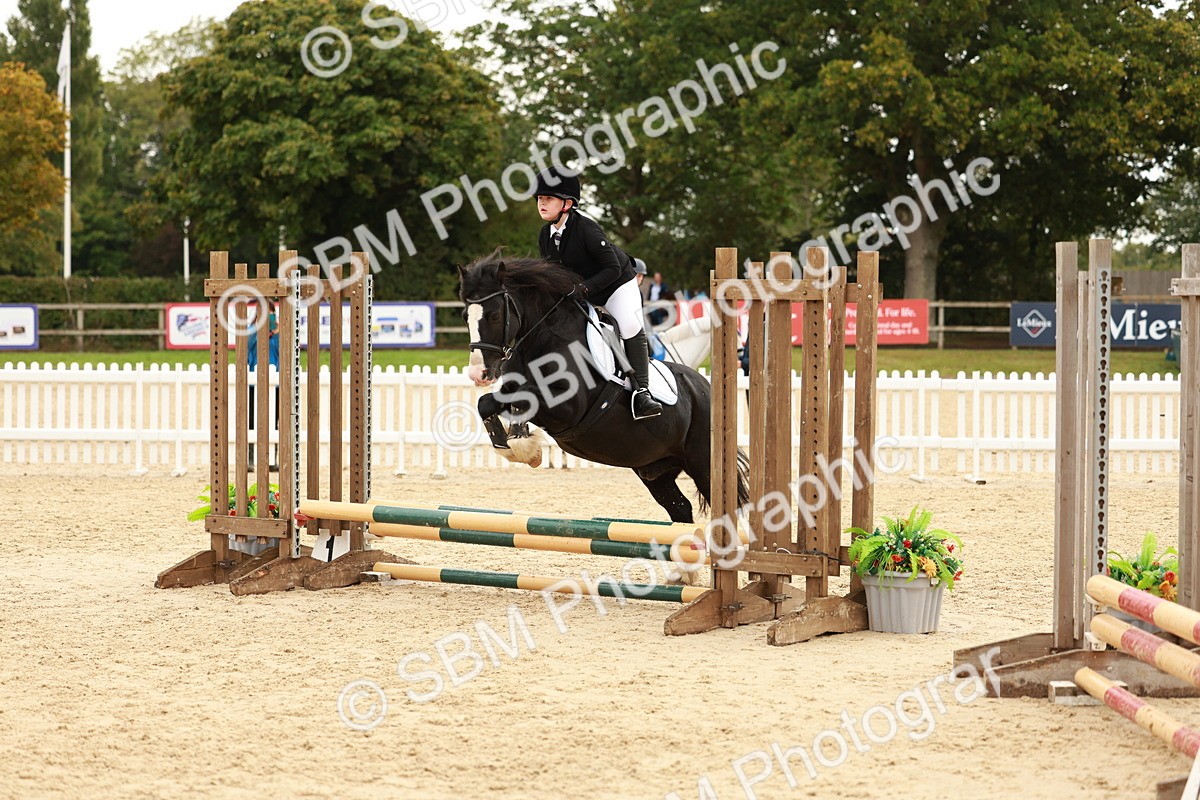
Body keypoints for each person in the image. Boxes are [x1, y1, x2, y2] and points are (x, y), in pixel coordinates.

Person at [533, 167, 661, 420]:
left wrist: (583, 289)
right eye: (539, 198)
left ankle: (642, 393)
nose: (542, 202)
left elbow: (612, 268)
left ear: (567, 203)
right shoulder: (545, 236)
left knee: (628, 324)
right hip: (584, 290)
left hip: (617, 285)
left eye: (548, 198)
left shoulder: (586, 229)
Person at [247, 304, 280, 471]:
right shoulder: (251, 331)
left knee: (275, 421)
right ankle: (251, 458)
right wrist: (258, 330)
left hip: (276, 382)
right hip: (254, 380)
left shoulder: (279, 334)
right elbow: (246, 347)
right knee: (252, 419)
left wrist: (277, 331)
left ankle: (272, 459)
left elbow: (285, 351)